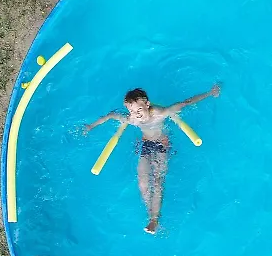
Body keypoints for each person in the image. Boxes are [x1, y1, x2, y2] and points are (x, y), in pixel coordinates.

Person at [84, 84, 221, 234]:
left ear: (147, 104)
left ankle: (154, 219)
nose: (136, 114)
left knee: (157, 181)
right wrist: (91, 126)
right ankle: (151, 212)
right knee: (142, 182)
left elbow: (186, 102)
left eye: (139, 110)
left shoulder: (160, 113)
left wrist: (209, 93)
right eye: (132, 111)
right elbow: (111, 115)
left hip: (162, 144)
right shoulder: (133, 120)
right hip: (146, 144)